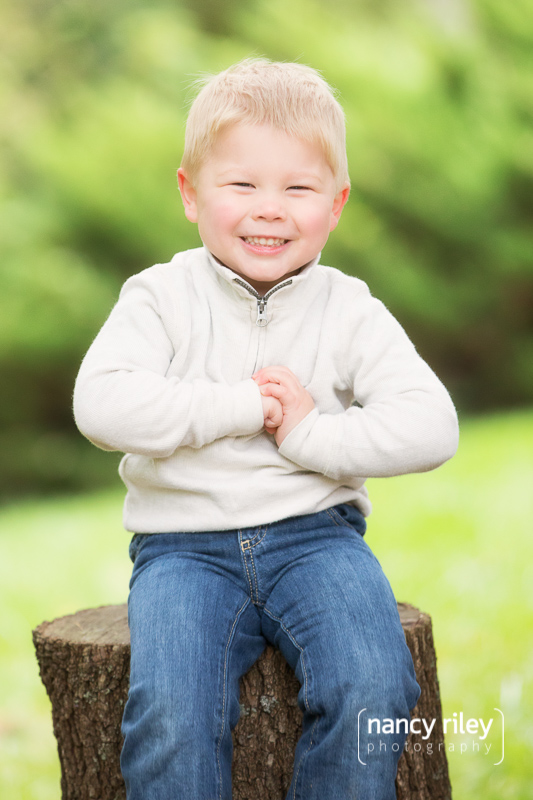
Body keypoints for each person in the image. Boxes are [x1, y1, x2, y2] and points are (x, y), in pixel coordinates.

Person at [73, 58, 459, 800]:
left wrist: (311, 435)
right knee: (171, 716)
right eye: (242, 184)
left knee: (372, 687)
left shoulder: (347, 308)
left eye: (299, 188)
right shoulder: (158, 297)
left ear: (336, 204)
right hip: (182, 552)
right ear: (190, 193)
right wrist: (243, 406)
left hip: (316, 538)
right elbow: (103, 407)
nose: (269, 208)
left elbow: (431, 426)